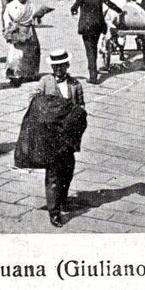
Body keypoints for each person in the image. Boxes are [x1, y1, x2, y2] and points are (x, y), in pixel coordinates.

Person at [37, 49, 86, 227]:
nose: (59, 69)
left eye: (62, 66)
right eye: (55, 67)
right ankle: (54, 211)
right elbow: (34, 101)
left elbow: (81, 106)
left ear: (67, 66)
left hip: (68, 136)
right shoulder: (45, 82)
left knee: (68, 170)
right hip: (51, 137)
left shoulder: (76, 85)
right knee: (53, 174)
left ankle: (63, 198)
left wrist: (77, 117)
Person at [70, 0, 121, 85]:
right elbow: (110, 4)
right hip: (98, 26)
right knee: (93, 47)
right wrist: (120, 11)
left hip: (86, 26)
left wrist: (74, 11)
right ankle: (93, 70)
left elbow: (74, 7)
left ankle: (93, 76)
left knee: (90, 50)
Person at [3, 0, 48, 86]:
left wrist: (39, 16)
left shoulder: (31, 5)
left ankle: (29, 74)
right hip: (17, 31)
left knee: (32, 52)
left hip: (29, 30)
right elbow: (7, 19)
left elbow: (34, 20)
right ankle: (14, 76)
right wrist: (9, 30)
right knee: (17, 55)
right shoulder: (11, 6)